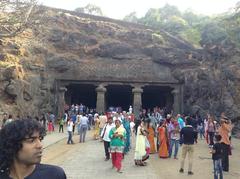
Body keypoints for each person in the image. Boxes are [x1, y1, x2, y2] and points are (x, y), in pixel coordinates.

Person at [0, 118, 66, 179]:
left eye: (40, 139)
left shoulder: (54, 175)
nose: (40, 145)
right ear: (12, 144)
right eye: (31, 140)